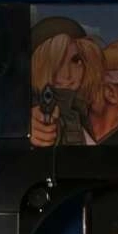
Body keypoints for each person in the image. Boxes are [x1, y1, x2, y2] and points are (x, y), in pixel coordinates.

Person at [29, 18, 103, 147]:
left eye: (76, 61)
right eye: (56, 62)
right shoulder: (36, 111)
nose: (67, 75)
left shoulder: (83, 111)